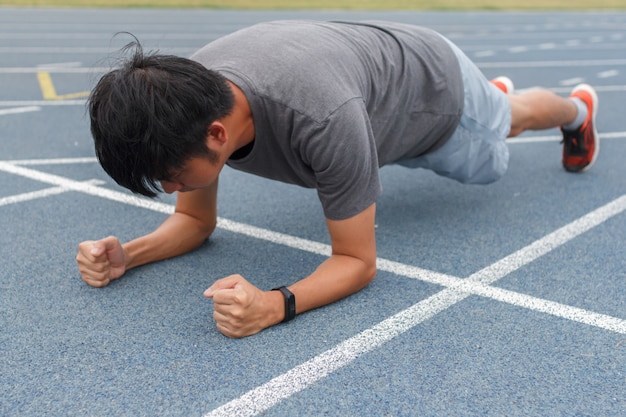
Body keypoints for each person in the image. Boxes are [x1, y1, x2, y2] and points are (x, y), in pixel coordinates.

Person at [76, 20, 599, 338]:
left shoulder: (321, 117)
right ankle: (493, 96)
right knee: (495, 116)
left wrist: (272, 305)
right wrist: (131, 254)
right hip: (373, 85)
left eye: (168, 178)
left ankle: (573, 110)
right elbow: (194, 222)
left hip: (433, 98)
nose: (169, 190)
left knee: (504, 130)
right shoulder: (186, 102)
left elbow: (357, 262)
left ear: (217, 134)